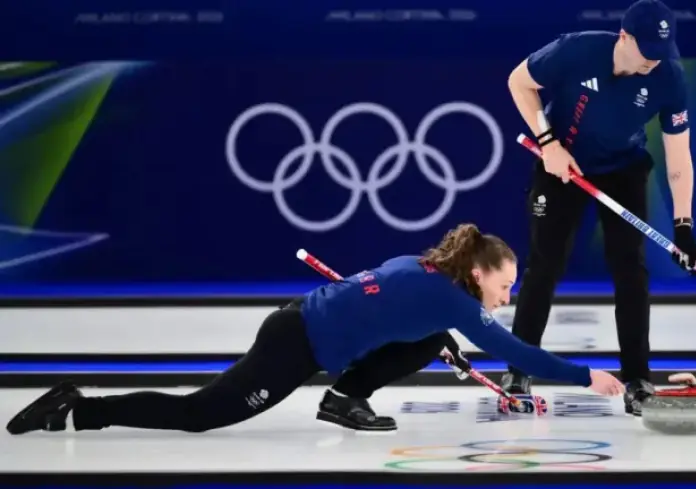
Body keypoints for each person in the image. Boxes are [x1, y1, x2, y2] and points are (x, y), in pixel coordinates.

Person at [6, 223, 625, 436]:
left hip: (297, 321)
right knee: (201, 414)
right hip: (296, 346)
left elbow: (394, 311)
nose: (506, 294)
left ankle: (345, 396)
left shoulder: (427, 270)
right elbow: (516, 350)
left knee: (435, 340)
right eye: (505, 284)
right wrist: (586, 376)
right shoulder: (456, 304)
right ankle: (79, 409)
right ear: (480, 271)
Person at [502, 0, 696, 416]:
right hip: (563, 164)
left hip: (623, 169)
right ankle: (519, 369)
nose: (653, 60)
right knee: (545, 264)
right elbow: (519, 82)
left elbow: (679, 156)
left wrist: (684, 224)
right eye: (646, 49)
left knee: (630, 268)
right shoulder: (576, 49)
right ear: (624, 37)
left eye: (660, 51)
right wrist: (548, 143)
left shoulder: (668, 75)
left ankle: (638, 377)